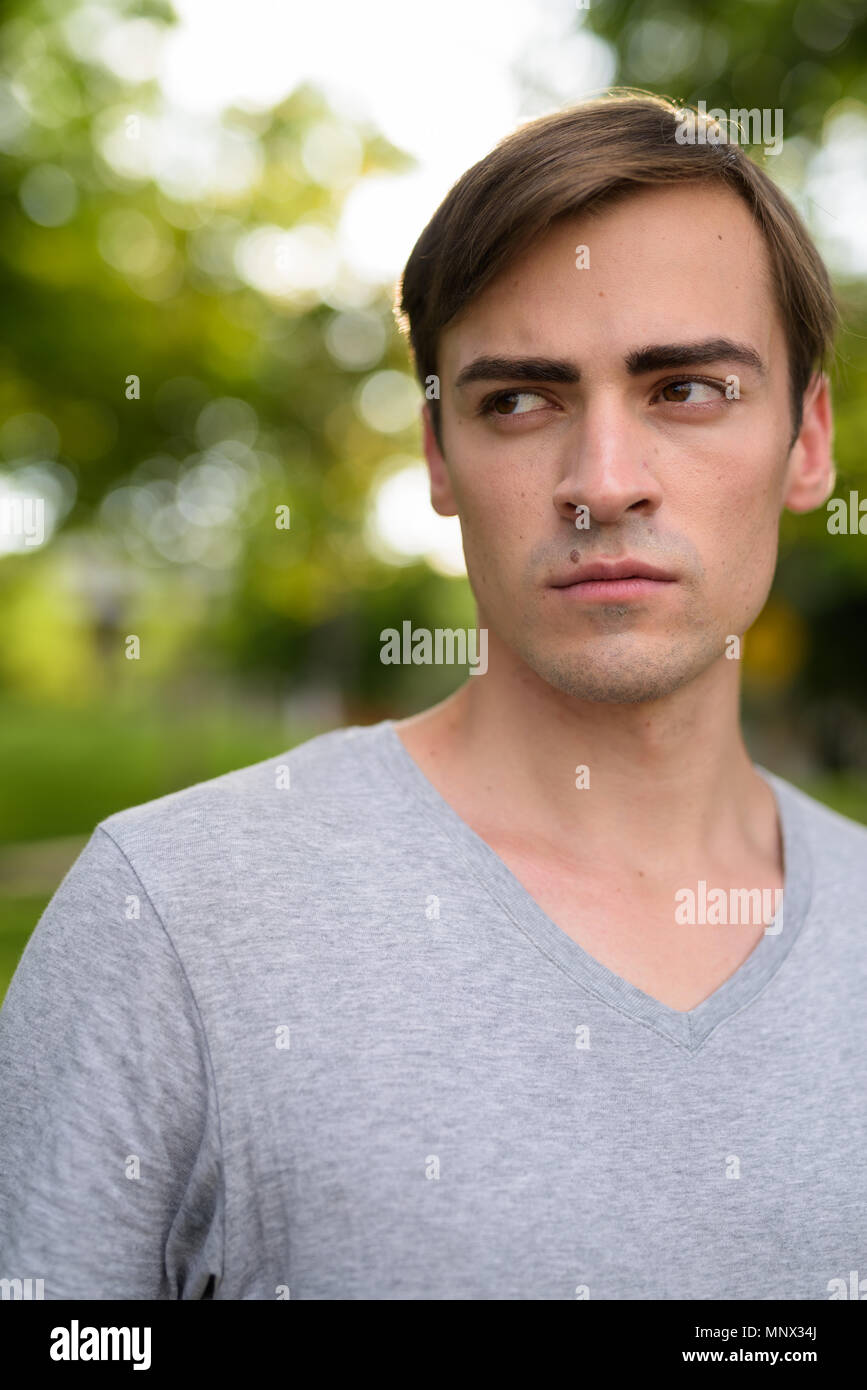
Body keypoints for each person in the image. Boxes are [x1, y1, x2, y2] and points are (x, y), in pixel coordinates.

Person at [2, 93, 865, 1302]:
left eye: (686, 388)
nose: (604, 482)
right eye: (520, 399)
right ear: (438, 456)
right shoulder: (173, 923)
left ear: (809, 438)